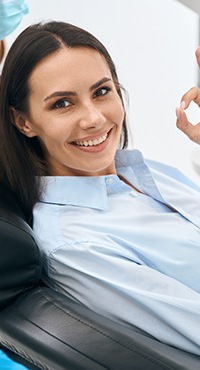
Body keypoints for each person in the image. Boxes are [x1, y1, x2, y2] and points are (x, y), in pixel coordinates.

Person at [0, 21, 200, 357]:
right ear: (24, 122)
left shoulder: (143, 172)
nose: (93, 118)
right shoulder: (76, 244)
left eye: (101, 91)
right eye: (62, 104)